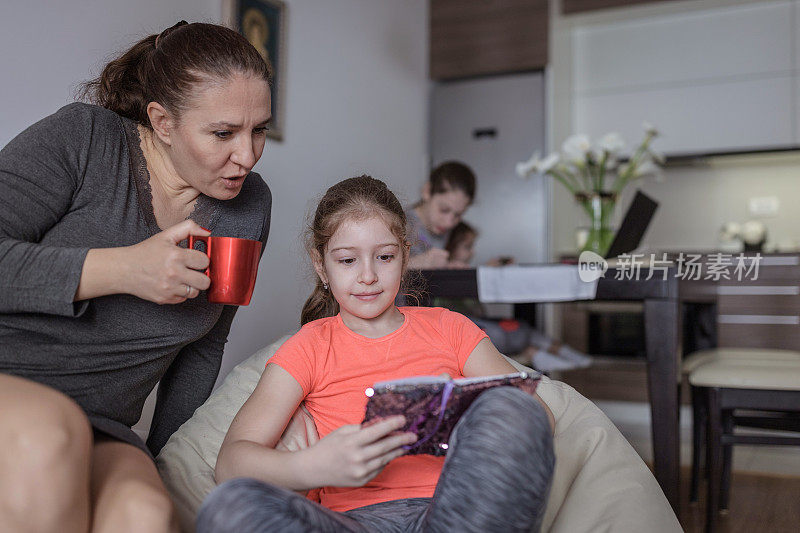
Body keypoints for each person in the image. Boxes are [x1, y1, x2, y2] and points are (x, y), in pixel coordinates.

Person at [0, 22, 276, 532]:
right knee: (49, 435)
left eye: (259, 129)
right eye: (223, 133)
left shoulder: (248, 206)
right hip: (14, 386)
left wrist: (164, 456)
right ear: (162, 121)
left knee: (146, 514)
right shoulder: (85, 140)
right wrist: (122, 269)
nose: (249, 155)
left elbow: (204, 347)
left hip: (102, 424)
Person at [198, 176, 555, 533]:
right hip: (354, 523)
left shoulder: (449, 328)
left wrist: (458, 413)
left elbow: (533, 417)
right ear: (322, 266)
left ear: (404, 255)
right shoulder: (309, 347)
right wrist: (312, 467)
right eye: (348, 260)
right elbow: (231, 463)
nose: (368, 276)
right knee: (230, 507)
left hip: (456, 514)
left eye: (384, 257)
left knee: (512, 408)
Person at [406, 161, 476, 269]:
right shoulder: (399, 224)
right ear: (427, 191)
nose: (449, 223)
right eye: (444, 210)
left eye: (458, 215)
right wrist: (417, 263)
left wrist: (449, 267)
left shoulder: (444, 229)